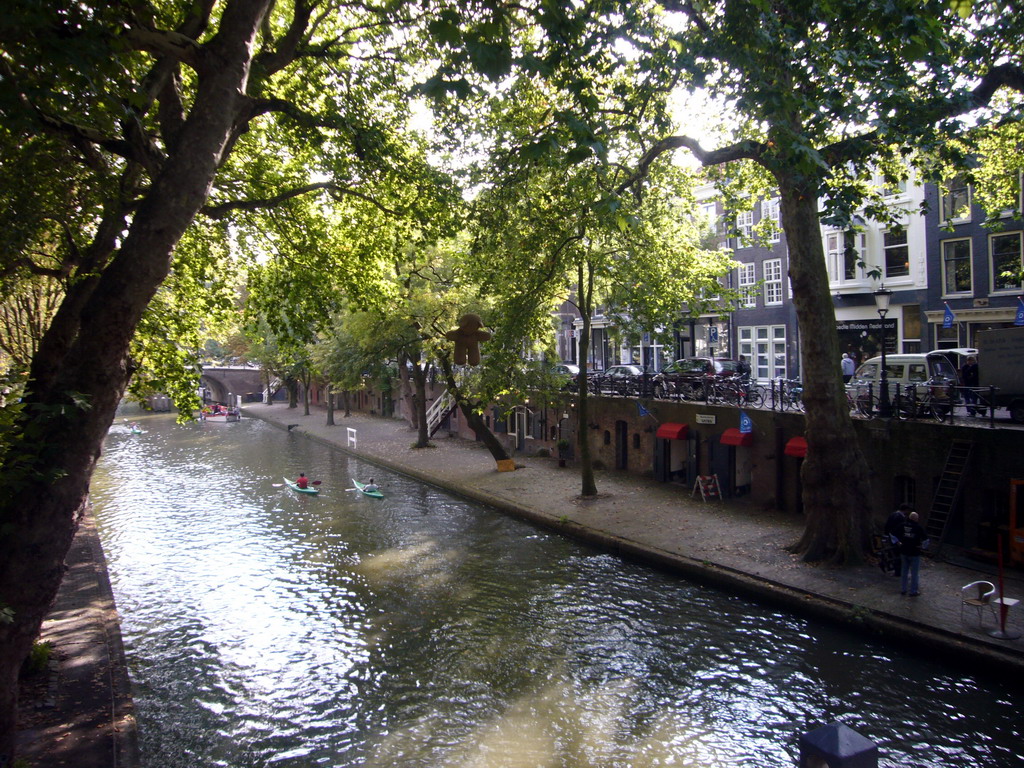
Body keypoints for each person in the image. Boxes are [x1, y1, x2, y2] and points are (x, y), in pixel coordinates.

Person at [897, 510, 929, 596]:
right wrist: (923, 547)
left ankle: (903, 589)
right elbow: (926, 539)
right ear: (916, 519)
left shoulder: (902, 525)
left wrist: (898, 543)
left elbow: (894, 534)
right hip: (915, 552)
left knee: (904, 571)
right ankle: (913, 591)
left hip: (904, 551)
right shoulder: (918, 528)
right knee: (914, 573)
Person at [883, 503, 911, 576]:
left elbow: (887, 526)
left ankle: (892, 568)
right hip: (897, 538)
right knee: (898, 555)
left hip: (891, 537)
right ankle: (898, 572)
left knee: (893, 553)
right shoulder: (900, 518)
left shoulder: (893, 514)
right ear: (906, 510)